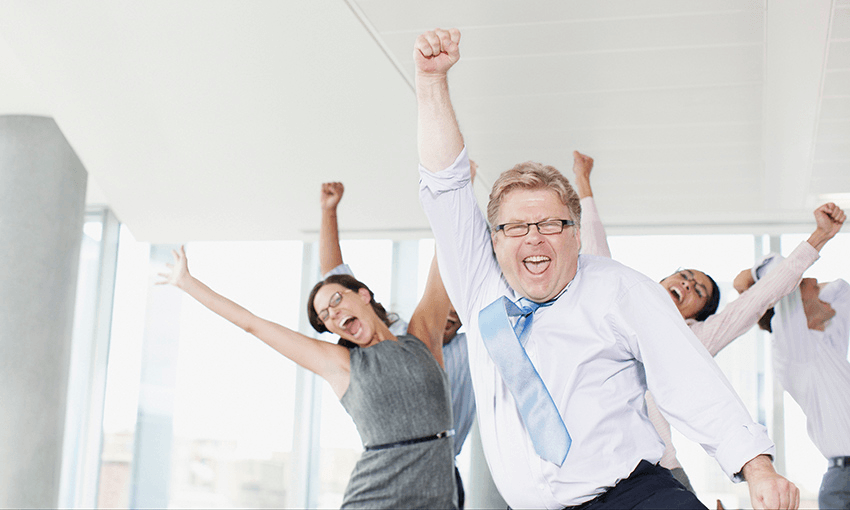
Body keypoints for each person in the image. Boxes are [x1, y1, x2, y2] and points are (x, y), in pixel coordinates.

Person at [414, 27, 799, 509]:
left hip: (633, 496)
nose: (533, 236)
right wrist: (431, 83)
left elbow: (689, 379)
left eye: (551, 224)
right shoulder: (480, 292)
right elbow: (446, 186)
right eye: (517, 227)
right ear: (494, 239)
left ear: (576, 234)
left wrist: (756, 467)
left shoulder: (621, 289)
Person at [573, 150, 846, 494]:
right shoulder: (618, 307)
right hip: (594, 475)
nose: (687, 284)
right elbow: (597, 253)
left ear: (694, 316)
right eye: (684, 276)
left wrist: (820, 237)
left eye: (697, 290)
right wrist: (583, 181)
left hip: (659, 473)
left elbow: (759, 297)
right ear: (664, 279)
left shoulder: (691, 339)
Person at [158, 245, 458, 509]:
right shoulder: (343, 363)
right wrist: (188, 283)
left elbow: (443, 253)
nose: (333, 313)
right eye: (325, 316)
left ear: (363, 295)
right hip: (376, 498)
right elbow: (253, 324)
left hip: (440, 494)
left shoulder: (422, 338)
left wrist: (453, 187)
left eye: (337, 300)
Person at [318, 181, 475, 508]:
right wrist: (328, 211)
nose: (452, 313)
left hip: (443, 469)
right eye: (449, 305)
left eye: (460, 309)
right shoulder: (395, 337)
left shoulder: (473, 350)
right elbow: (335, 281)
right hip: (393, 465)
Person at [736, 225, 849, 509]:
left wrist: (809, 297)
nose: (817, 282)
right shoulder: (794, 350)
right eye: (811, 285)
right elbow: (776, 264)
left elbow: (843, 290)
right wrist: (751, 282)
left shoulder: (827, 346)